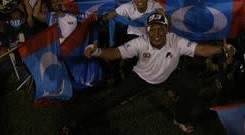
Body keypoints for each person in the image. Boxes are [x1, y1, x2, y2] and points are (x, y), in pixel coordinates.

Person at [61, 12, 227, 134]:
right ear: (147, 31)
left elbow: (202, 50)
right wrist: (97, 52)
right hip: (140, 77)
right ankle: (76, 123)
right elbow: (116, 53)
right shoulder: (141, 42)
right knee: (110, 100)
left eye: (160, 29)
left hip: (168, 76)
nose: (156, 33)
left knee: (191, 87)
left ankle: (180, 119)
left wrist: (222, 49)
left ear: (167, 29)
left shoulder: (176, 40)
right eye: (152, 29)